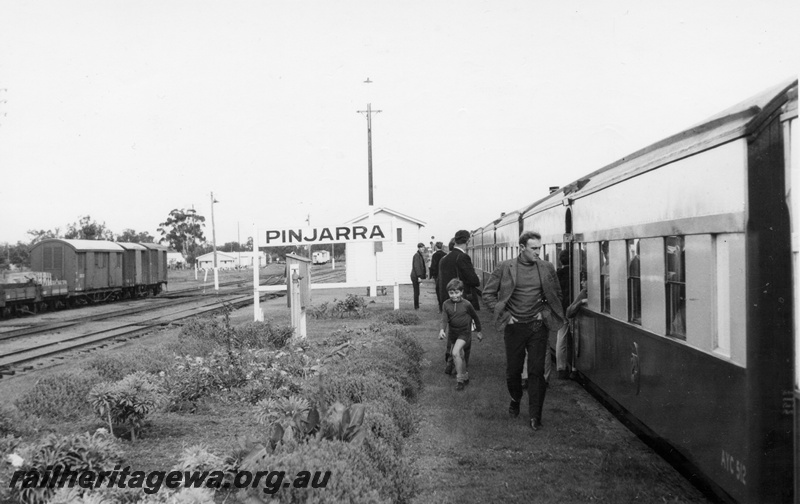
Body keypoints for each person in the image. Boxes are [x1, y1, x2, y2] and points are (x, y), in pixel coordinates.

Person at [482, 231, 565, 432]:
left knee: (537, 371)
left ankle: (535, 416)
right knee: (513, 371)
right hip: (514, 327)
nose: (538, 252)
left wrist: (543, 312)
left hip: (537, 326)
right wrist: (506, 316)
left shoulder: (546, 268)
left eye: (540, 248)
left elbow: (556, 295)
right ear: (521, 248)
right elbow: (488, 294)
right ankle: (515, 398)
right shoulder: (505, 267)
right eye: (534, 248)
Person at [438, 230, 481, 374]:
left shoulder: (444, 258)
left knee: (452, 334)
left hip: (447, 301)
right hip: (462, 301)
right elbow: (473, 279)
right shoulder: (462, 257)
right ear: (467, 241)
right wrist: (476, 279)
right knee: (465, 334)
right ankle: (461, 366)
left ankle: (449, 362)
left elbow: (440, 283)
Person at [439, 279, 483, 391]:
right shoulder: (446, 304)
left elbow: (475, 317)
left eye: (457, 292)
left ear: (461, 292)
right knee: (461, 356)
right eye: (451, 293)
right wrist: (442, 330)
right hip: (453, 334)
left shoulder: (467, 304)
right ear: (448, 293)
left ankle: (459, 380)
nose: (454, 296)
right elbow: (444, 319)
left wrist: (479, 331)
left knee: (455, 353)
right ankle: (465, 376)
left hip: (465, 333)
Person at [555, 249, 572, 379]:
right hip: (572, 309)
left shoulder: (557, 274)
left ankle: (561, 368)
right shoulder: (575, 273)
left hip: (561, 309)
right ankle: (572, 367)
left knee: (561, 338)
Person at [429, 242, 447, 313]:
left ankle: (440, 308)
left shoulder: (435, 255)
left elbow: (433, 266)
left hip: (437, 276)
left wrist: (432, 275)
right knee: (444, 291)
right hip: (444, 275)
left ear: (436, 247)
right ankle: (445, 307)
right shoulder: (445, 255)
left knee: (438, 291)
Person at [409, 243, 427, 310]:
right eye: (421, 248)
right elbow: (416, 266)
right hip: (415, 276)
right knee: (416, 292)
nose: (423, 249)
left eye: (423, 248)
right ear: (418, 248)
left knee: (417, 292)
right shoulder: (416, 256)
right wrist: (419, 276)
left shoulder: (419, 255)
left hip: (416, 275)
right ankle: (416, 307)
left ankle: (417, 306)